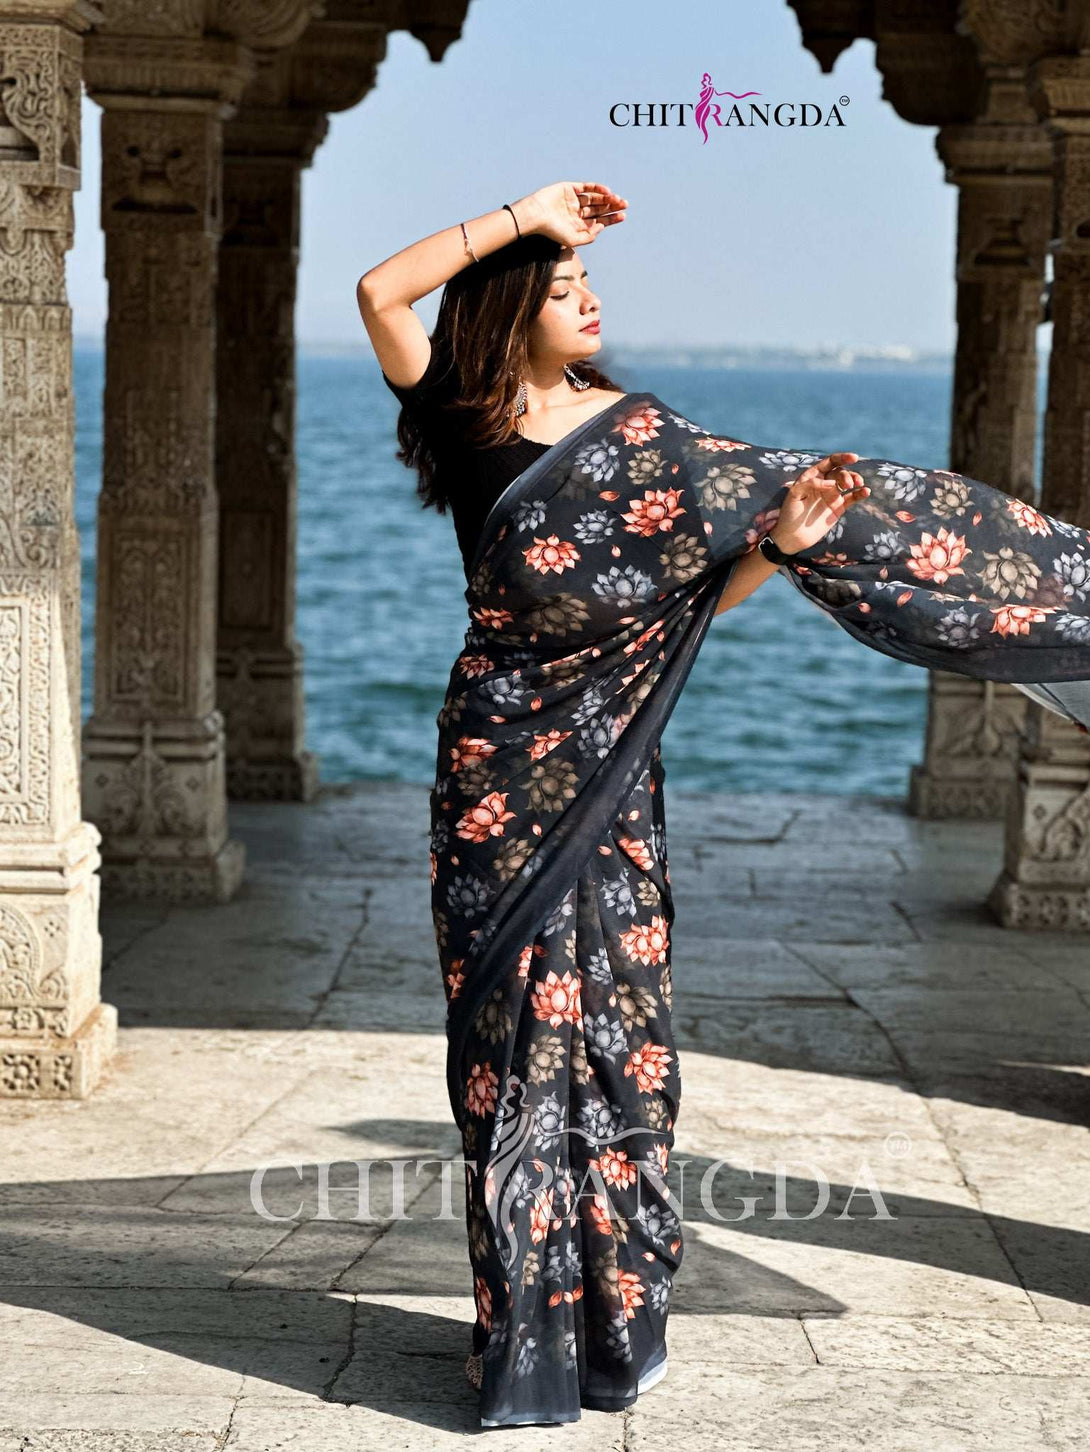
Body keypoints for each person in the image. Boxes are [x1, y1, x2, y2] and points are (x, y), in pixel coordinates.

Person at [356, 181, 1090, 1428]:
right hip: (494, 781)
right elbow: (381, 288)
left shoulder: (641, 436)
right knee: (507, 1057)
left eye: (587, 280)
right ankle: (521, 1338)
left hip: (609, 783)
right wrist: (528, 213)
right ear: (510, 312)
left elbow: (699, 589)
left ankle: (609, 1330)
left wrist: (786, 543)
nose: (590, 299)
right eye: (564, 286)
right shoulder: (465, 422)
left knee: (619, 1042)